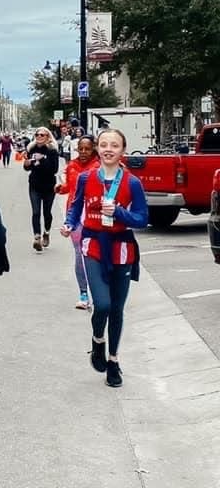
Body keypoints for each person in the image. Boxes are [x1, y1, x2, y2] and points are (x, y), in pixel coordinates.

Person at [60, 128, 148, 388]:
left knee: (117, 309)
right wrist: (68, 224)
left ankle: (113, 360)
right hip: (93, 244)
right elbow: (76, 208)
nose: (108, 149)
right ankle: (98, 339)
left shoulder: (132, 183)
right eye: (104, 144)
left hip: (122, 248)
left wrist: (120, 212)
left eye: (115, 145)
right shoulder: (87, 178)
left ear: (123, 150)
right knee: (103, 304)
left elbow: (142, 219)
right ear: (98, 148)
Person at [56, 135, 100, 309]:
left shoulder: (99, 166)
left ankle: (100, 291)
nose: (83, 152)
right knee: (79, 253)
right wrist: (60, 188)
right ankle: (83, 293)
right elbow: (69, 187)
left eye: (87, 149)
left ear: (94, 149)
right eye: (80, 149)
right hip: (75, 215)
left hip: (94, 215)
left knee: (96, 254)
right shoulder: (72, 165)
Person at [24, 127, 60, 252]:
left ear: (48, 137)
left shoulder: (52, 150)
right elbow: (28, 167)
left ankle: (46, 232)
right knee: (35, 212)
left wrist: (43, 159)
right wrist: (27, 164)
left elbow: (54, 170)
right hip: (34, 184)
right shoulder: (31, 148)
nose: (39, 137)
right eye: (37, 135)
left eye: (42, 135)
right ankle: (37, 237)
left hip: (49, 185)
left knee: (47, 212)